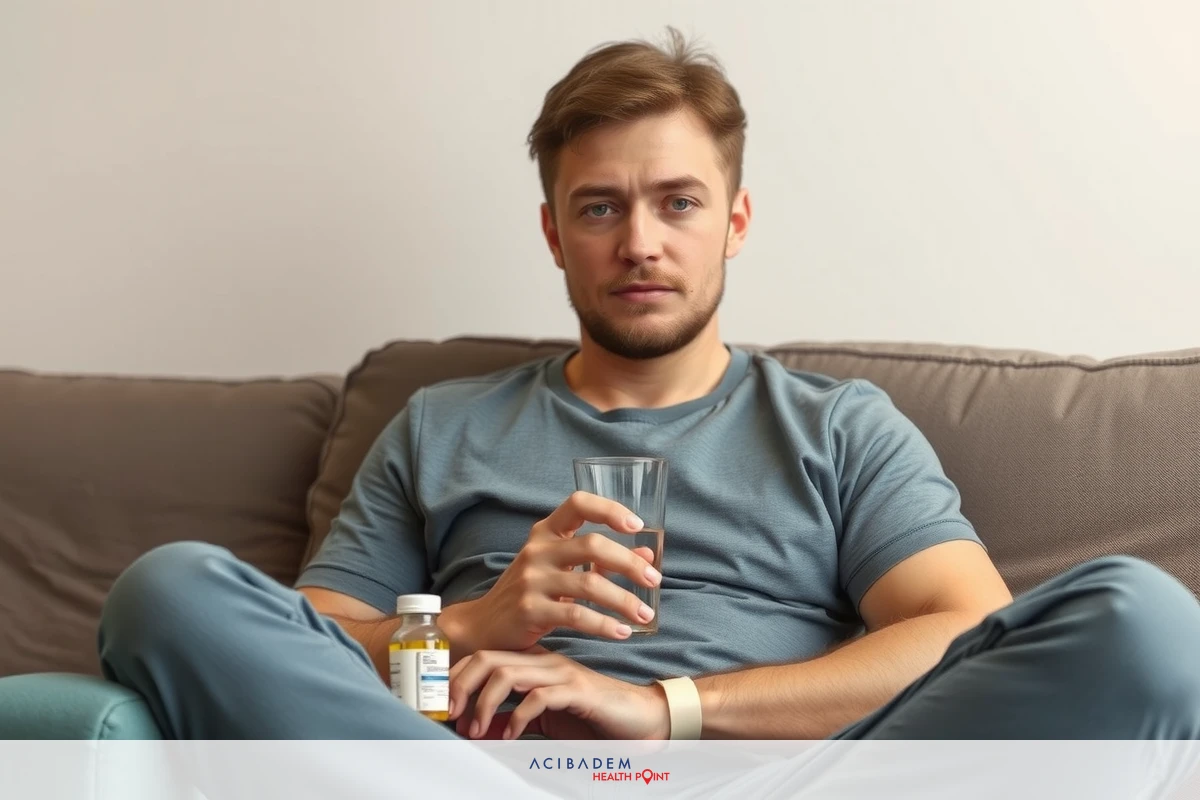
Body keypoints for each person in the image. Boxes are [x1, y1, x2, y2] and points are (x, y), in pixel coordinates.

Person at [99, 27, 1200, 751]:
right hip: (478, 776)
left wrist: (671, 708)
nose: (640, 242)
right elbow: (315, 639)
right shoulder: (440, 424)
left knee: (1144, 617)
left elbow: (962, 628)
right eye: (599, 207)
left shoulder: (837, 425)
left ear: (734, 222)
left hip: (775, 780)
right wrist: (481, 619)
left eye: (677, 203)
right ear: (553, 233)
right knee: (169, 590)